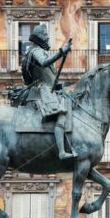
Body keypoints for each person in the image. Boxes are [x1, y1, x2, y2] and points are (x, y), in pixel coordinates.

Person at [21, 24, 76, 160]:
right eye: (45, 36)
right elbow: (44, 62)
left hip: (50, 89)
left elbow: (50, 76)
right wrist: (61, 52)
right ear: (40, 38)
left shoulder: (37, 50)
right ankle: (62, 152)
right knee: (61, 115)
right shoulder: (35, 51)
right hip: (43, 91)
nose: (47, 38)